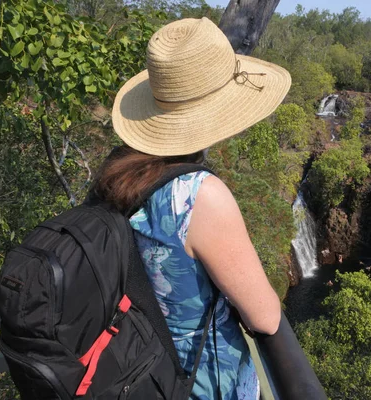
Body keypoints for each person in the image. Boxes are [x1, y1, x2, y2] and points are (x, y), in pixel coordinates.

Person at [91, 17, 291, 400]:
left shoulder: (117, 175)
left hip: (139, 369)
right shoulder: (199, 194)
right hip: (200, 385)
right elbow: (265, 317)